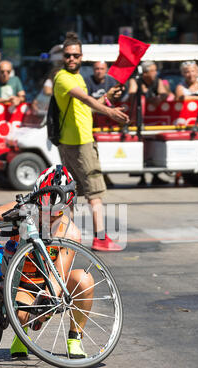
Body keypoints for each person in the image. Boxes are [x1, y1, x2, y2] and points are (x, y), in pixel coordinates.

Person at [0, 165, 92, 359]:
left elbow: (57, 277)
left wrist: (46, 304)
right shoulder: (25, 211)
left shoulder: (71, 232)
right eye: (43, 209)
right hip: (21, 284)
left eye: (56, 213)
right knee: (20, 315)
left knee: (84, 279)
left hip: (49, 284)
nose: (48, 216)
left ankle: (75, 339)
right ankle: (21, 337)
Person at [53, 31, 129, 252]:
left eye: (75, 55)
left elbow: (85, 106)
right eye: (68, 55)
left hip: (76, 142)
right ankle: (100, 238)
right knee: (95, 192)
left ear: (81, 56)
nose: (72, 59)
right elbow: (84, 99)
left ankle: (68, 238)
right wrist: (110, 112)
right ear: (63, 57)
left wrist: (107, 99)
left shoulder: (77, 78)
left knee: (71, 193)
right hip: (79, 144)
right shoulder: (63, 77)